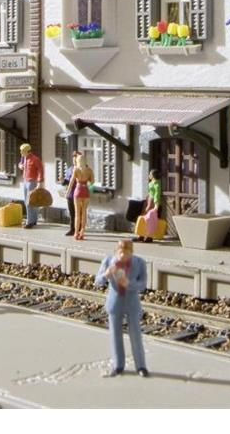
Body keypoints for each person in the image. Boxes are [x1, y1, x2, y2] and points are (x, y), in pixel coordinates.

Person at [95, 239, 149, 378]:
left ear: (131, 252)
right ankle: (118, 365)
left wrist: (129, 284)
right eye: (121, 252)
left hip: (132, 303)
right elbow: (97, 281)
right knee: (115, 335)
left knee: (135, 334)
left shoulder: (140, 263)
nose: (123, 255)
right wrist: (106, 274)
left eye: (127, 253)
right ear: (116, 251)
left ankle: (141, 366)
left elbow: (143, 285)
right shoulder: (108, 261)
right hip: (115, 303)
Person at [67, 150, 94, 241]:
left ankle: (76, 233)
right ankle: (82, 232)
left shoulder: (76, 169)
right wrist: (88, 184)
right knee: (84, 212)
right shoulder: (89, 170)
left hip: (78, 190)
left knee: (77, 214)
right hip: (85, 190)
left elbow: (71, 182)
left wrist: (68, 192)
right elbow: (92, 182)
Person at [18, 143, 44, 229]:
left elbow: (40, 171)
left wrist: (40, 182)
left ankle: (30, 221)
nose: (21, 153)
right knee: (27, 201)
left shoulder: (35, 159)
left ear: (27, 151)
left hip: (32, 181)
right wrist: (20, 166)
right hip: (25, 180)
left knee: (30, 201)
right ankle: (32, 220)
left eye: (22, 151)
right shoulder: (24, 158)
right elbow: (20, 163)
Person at [134, 169, 162, 243]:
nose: (149, 175)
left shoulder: (157, 184)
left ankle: (149, 236)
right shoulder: (152, 182)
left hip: (152, 202)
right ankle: (141, 235)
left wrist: (156, 205)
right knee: (143, 218)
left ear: (153, 176)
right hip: (148, 200)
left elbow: (157, 195)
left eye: (150, 174)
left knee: (150, 220)